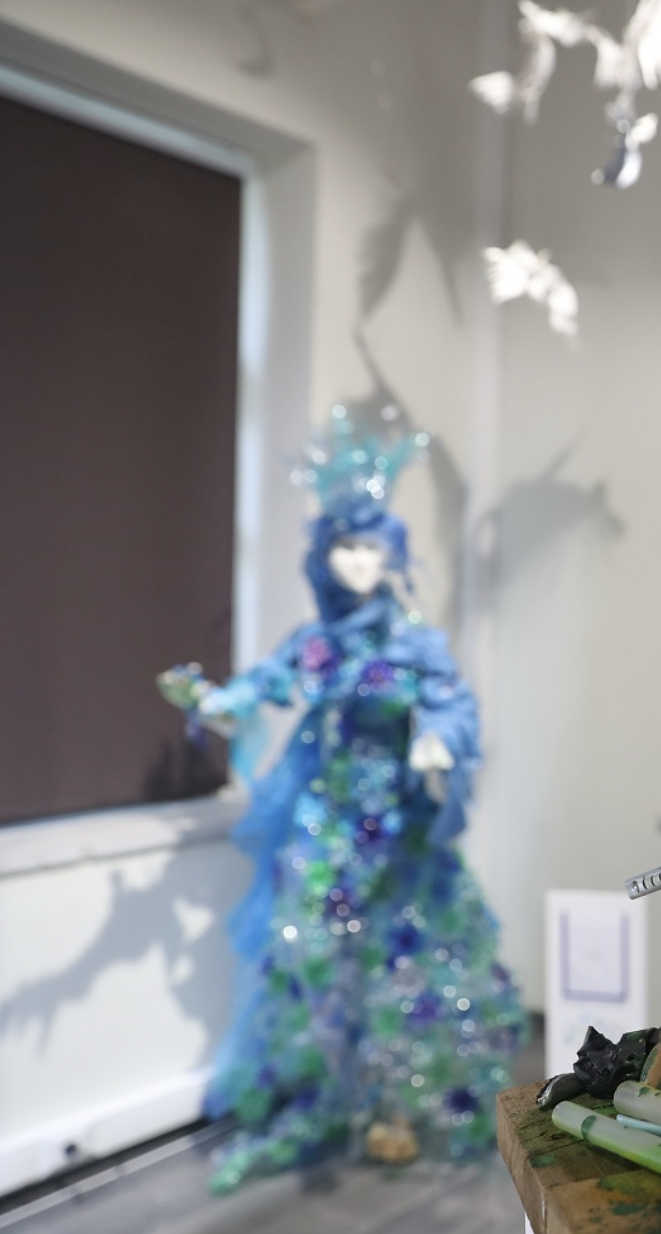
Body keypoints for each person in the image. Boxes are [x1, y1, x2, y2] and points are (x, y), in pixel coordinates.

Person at [161, 410, 524, 1192]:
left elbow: (454, 703)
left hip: (399, 829)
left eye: (372, 548)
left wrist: (436, 739)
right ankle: (322, 1096)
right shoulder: (315, 641)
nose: (359, 562)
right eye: (345, 547)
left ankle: (395, 1102)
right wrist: (220, 702)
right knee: (313, 959)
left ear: (392, 555)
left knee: (404, 964)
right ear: (323, 555)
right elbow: (267, 683)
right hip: (326, 824)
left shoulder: (413, 641)